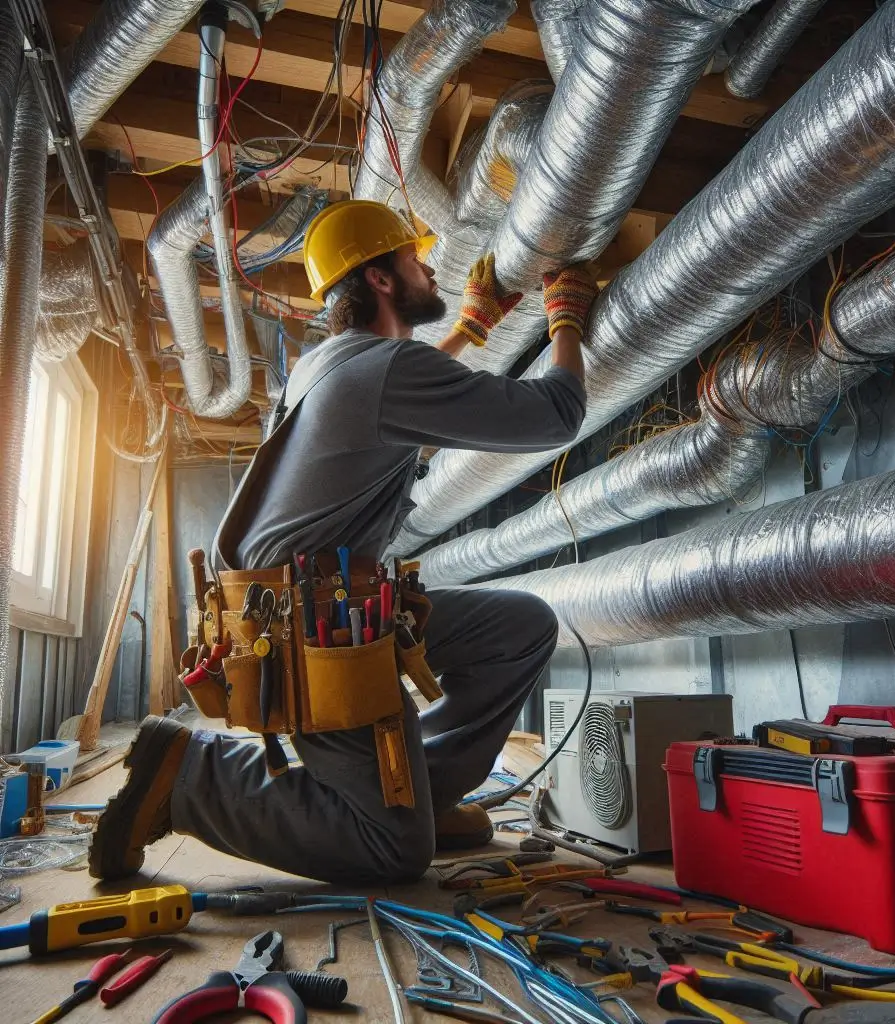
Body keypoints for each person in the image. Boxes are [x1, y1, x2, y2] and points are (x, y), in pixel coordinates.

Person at [89, 199, 597, 885]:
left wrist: (471, 330)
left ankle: (420, 793)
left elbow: (393, 404)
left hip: (301, 616)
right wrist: (566, 317)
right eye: (414, 260)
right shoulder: (383, 372)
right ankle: (191, 777)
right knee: (392, 853)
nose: (428, 270)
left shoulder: (327, 366)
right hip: (314, 641)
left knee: (520, 627)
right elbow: (555, 415)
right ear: (381, 279)